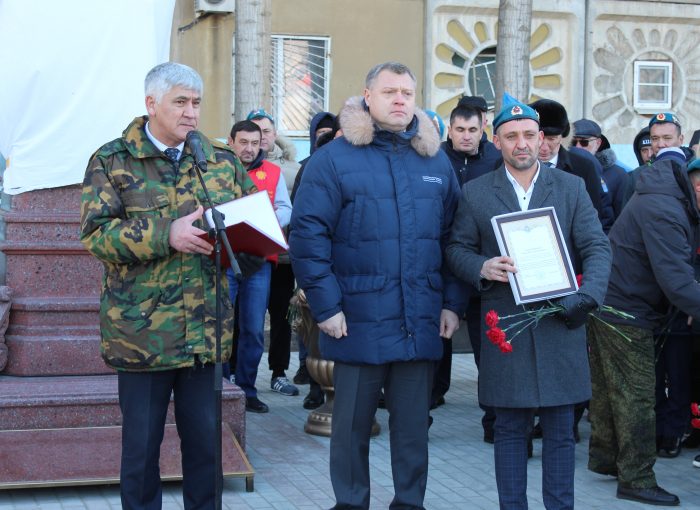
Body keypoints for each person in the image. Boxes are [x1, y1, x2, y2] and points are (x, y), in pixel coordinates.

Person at [79, 62, 261, 509]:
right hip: (143, 336)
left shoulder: (219, 160)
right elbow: (96, 236)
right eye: (180, 102)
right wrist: (168, 234)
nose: (191, 113)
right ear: (151, 104)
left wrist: (251, 245)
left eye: (197, 103)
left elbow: (249, 226)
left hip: (206, 333)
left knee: (206, 450)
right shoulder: (113, 160)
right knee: (141, 453)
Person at [289, 61, 465, 509]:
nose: (400, 100)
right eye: (390, 92)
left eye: (407, 92)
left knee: (412, 432)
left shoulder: (434, 160)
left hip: (419, 319)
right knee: (350, 430)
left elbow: (453, 238)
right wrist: (326, 307)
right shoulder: (334, 159)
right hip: (357, 321)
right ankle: (351, 503)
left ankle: (410, 503)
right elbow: (309, 238)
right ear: (367, 96)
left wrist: (451, 303)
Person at [446, 94, 611, 509]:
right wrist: (482, 267)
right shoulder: (476, 192)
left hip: (562, 322)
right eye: (510, 135)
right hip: (506, 326)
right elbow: (456, 248)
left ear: (541, 139)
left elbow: (597, 248)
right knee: (510, 429)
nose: (521, 143)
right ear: (496, 141)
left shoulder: (571, 188)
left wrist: (586, 297)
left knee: (560, 431)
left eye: (529, 135)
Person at [586, 147, 700, 507]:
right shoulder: (666, 209)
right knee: (636, 395)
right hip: (625, 310)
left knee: (609, 390)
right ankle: (636, 478)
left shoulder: (669, 197)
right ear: (695, 184)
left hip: (612, 302)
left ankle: (607, 459)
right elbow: (678, 281)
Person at [440, 99, 500, 440]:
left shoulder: (495, 161)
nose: (466, 136)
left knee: (486, 349)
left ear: (483, 131)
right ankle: (426, 410)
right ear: (450, 130)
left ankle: (492, 420)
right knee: (437, 345)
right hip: (441, 264)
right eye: (460, 130)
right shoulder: (435, 158)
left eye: (472, 130)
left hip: (481, 268)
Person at [226, 120, 294, 411]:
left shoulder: (274, 172)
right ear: (231, 142)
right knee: (223, 326)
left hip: (259, 262)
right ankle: (221, 386)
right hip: (224, 261)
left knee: (253, 328)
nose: (249, 149)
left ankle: (247, 389)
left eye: (255, 143)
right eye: (243, 142)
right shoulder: (217, 172)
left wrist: (262, 227)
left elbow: (286, 209)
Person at [246, 108, 301, 398]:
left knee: (280, 319)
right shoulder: (235, 165)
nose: (261, 137)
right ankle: (242, 377)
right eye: (255, 132)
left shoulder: (291, 169)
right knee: (247, 320)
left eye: (265, 131)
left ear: (274, 134)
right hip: (250, 257)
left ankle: (278, 373)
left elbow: (296, 212)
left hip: (282, 258)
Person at [293, 111, 337, 389]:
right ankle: (311, 381)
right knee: (309, 323)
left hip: (342, 260)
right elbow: (302, 217)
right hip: (314, 259)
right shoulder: (307, 167)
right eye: (320, 134)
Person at [572, 118, 630, 222]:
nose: (578, 147)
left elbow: (622, 217)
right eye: (573, 142)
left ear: (598, 143)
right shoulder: (562, 169)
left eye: (584, 142)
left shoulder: (618, 175)